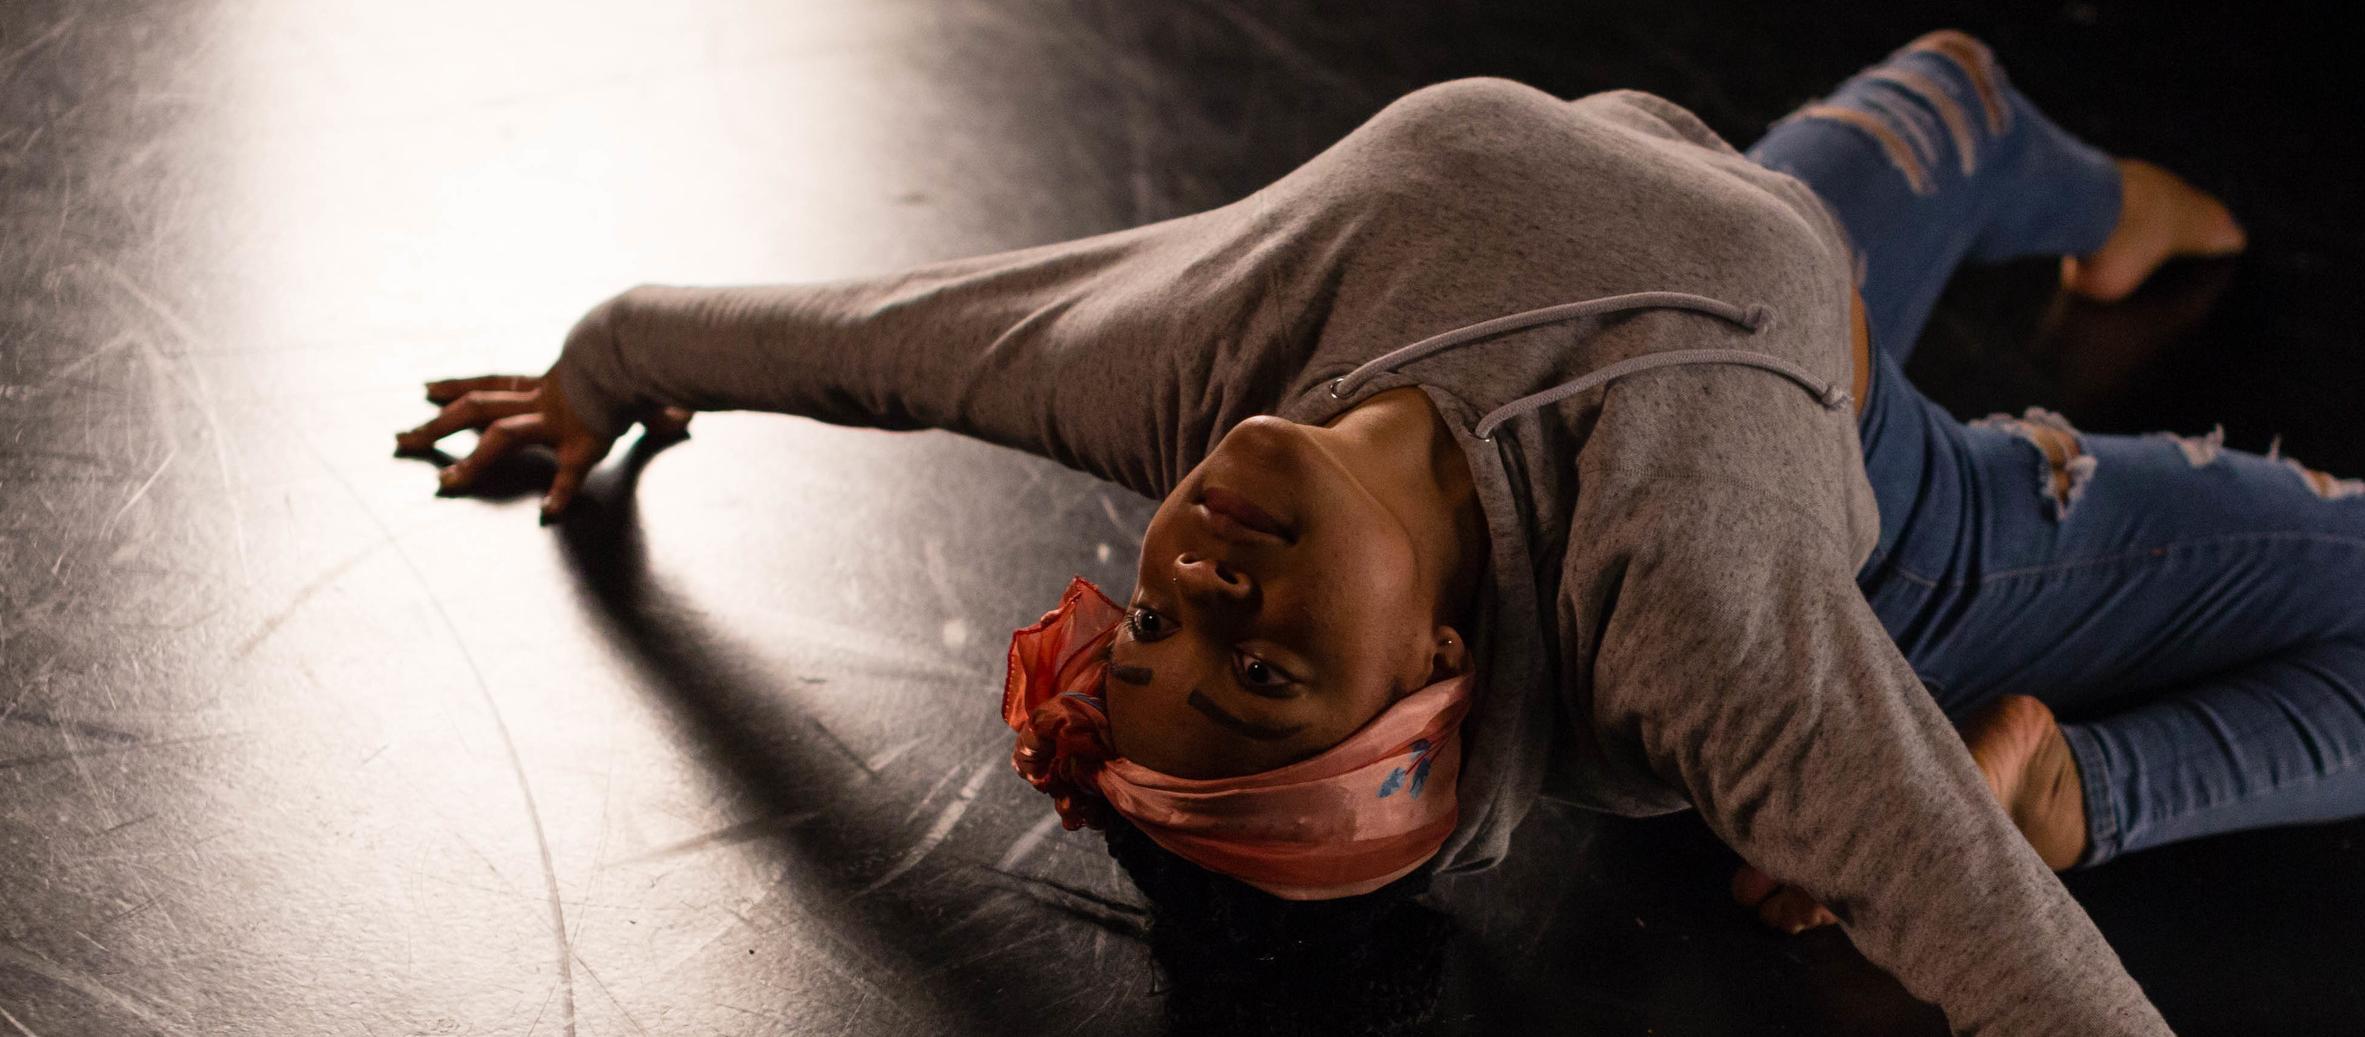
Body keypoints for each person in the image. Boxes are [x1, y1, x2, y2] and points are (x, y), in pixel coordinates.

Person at [391, 28, 2350, 1035]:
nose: (1203, 586)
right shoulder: (1694, 614)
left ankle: (2108, 204)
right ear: (1431, 671)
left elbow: (899, 344)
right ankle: (2090, 788)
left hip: (1752, 252)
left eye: (1157, 637)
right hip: (1898, 529)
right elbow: (1997, 965)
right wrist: (1993, 837)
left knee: (1950, 91)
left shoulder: (1195, 376)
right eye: (1269, 668)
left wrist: (606, 354)